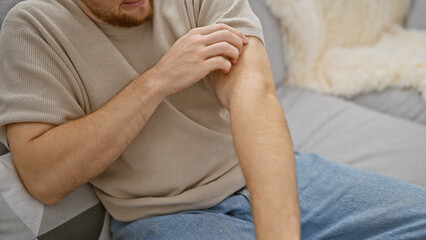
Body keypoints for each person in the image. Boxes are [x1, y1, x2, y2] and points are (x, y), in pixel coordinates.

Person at [0, 0, 425, 239]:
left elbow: (252, 94)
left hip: (267, 174)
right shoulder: (33, 28)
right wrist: (157, 81)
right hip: (163, 218)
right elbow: (42, 178)